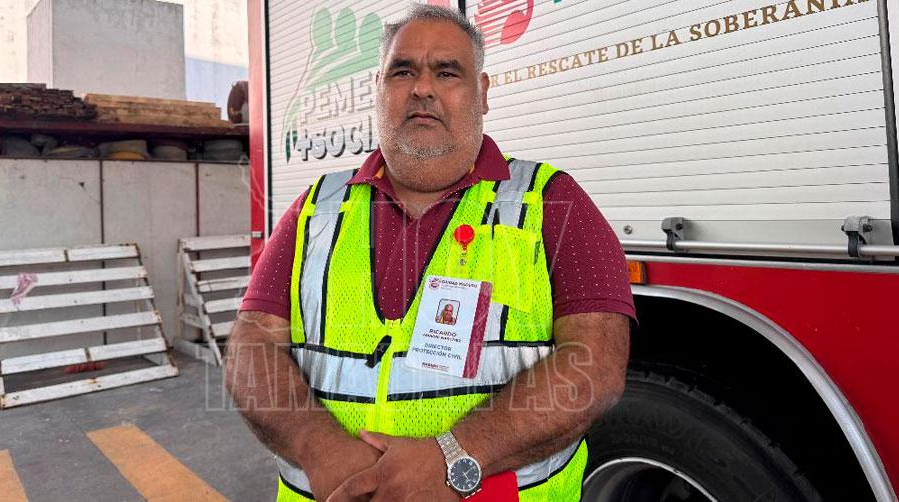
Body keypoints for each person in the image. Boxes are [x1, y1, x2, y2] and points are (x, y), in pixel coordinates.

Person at [226, 5, 635, 501]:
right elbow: (251, 345)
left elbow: (596, 363)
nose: (422, 87)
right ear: (378, 90)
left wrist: (455, 455)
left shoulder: (552, 202)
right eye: (403, 71)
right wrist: (321, 450)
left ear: (482, 92)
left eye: (447, 72)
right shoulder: (316, 209)